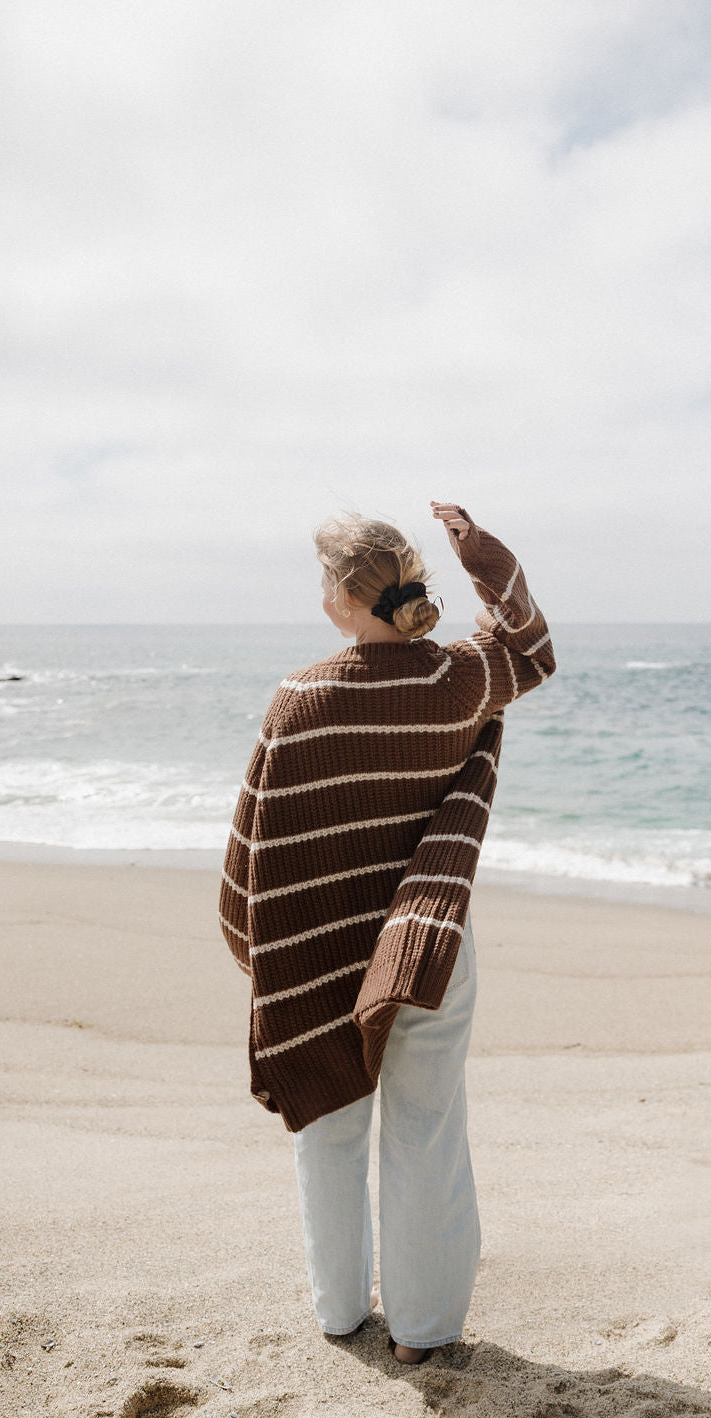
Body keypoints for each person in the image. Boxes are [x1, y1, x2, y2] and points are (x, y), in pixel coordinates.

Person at [219, 501, 555, 1364]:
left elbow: (255, 842)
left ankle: (340, 1313)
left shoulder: (300, 699)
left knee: (330, 1121)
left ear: (339, 598)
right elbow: (531, 646)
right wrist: (481, 554)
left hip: (321, 944)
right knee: (427, 1125)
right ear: (410, 592)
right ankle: (425, 1333)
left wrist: (259, 945)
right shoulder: (456, 679)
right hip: (427, 946)